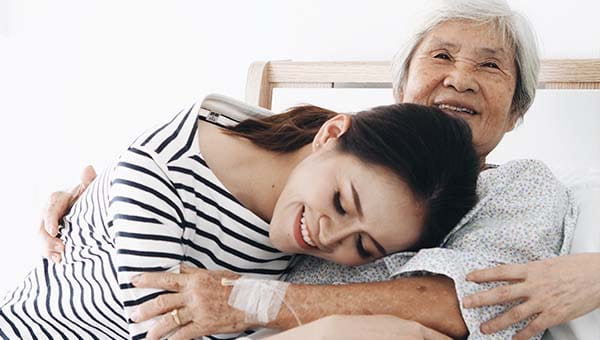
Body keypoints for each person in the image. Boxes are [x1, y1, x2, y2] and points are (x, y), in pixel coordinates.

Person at [35, 0, 593, 339]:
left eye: (491, 66)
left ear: (519, 110)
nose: (461, 78)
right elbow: (175, 162)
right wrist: (93, 200)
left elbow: (475, 307)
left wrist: (247, 301)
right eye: (441, 56)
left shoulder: (518, 187)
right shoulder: (316, 154)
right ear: (399, 88)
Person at [0, 102, 480, 339]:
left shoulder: (301, 201)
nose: (329, 237)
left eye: (364, 247)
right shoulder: (161, 174)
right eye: (340, 201)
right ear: (331, 133)